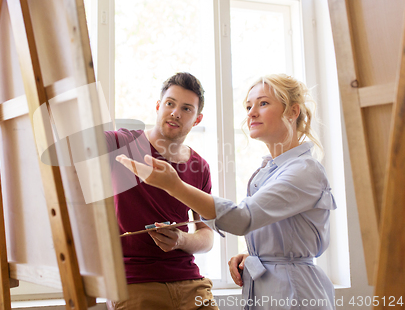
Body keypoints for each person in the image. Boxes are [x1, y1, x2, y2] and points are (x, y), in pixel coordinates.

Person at [116, 73, 337, 310]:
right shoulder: (268, 172)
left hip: (296, 295)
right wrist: (255, 256)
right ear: (159, 106)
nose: (251, 112)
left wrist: (174, 185)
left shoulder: (304, 170)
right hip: (269, 292)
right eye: (248, 106)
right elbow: (285, 234)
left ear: (293, 112)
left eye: (263, 103)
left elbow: (243, 218)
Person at [105, 72, 218, 310]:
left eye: (187, 108)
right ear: (158, 106)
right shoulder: (123, 144)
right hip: (134, 283)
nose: (176, 112)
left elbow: (207, 236)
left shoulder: (200, 167)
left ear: (197, 119)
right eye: (170, 103)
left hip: (191, 283)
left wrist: (180, 240)